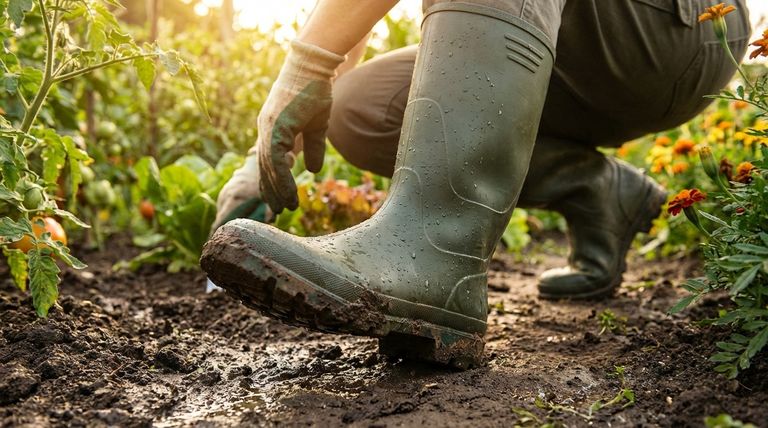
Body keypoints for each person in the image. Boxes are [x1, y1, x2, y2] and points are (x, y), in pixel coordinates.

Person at [202, 0, 751, 368]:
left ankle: (435, 249)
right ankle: (597, 189)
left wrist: (303, 62)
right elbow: (346, 33)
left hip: (677, 31)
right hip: (557, 43)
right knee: (363, 108)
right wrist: (266, 147)